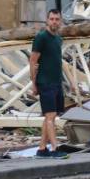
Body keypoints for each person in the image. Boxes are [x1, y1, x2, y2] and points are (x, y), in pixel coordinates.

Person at [30, 8, 67, 159]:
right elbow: (33, 61)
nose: (54, 22)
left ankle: (42, 149)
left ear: (60, 21)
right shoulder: (41, 37)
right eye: (52, 19)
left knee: (50, 117)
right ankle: (54, 148)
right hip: (45, 82)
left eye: (57, 19)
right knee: (50, 116)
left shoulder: (58, 39)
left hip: (56, 82)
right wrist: (34, 83)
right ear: (47, 20)